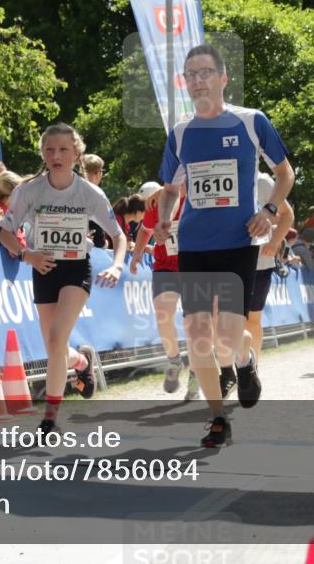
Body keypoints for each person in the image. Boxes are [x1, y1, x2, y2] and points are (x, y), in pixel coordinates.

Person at [155, 43, 294, 448]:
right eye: (190, 75)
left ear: (223, 78)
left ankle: (245, 361)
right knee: (198, 334)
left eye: (205, 73)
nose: (197, 81)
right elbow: (170, 188)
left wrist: (269, 210)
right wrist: (164, 218)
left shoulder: (251, 122)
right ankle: (217, 417)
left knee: (227, 339)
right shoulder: (180, 133)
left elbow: (285, 174)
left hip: (238, 243)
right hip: (194, 246)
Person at [0, 123, 126, 437]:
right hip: (43, 269)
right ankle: (80, 362)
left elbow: (119, 235)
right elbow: (4, 233)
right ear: (42, 153)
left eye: (63, 150)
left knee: (56, 338)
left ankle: (49, 419)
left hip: (75, 269)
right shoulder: (28, 191)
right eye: (49, 150)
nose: (56, 156)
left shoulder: (89, 193)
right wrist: (28, 256)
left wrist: (117, 266)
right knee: (55, 346)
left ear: (76, 152)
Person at [130, 184, 199, 400]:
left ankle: (196, 373)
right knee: (163, 314)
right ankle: (174, 360)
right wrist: (137, 254)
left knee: (193, 323)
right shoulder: (159, 200)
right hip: (165, 265)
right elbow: (145, 229)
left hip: (194, 266)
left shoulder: (200, 195)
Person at [246, 172, 295, 365]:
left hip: (260, 263)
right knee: (227, 320)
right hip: (227, 260)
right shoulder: (219, 171)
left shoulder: (262, 182)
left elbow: (287, 215)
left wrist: (275, 242)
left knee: (252, 319)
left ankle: (252, 368)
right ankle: (230, 367)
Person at [79, 154, 108, 248]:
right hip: (91, 249)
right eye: (102, 171)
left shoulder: (72, 191)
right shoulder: (97, 194)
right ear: (98, 174)